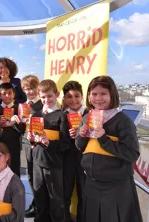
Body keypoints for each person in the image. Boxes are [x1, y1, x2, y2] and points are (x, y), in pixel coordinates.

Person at [76, 76, 142, 222]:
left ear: (112, 95)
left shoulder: (123, 121)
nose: (98, 98)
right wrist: (81, 136)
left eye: (103, 94)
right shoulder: (87, 117)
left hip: (116, 186)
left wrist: (104, 139)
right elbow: (80, 147)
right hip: (92, 183)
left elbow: (132, 154)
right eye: (94, 94)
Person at [30, 79, 69, 222]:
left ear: (57, 95)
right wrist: (31, 138)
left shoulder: (61, 116)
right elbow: (34, 141)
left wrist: (49, 142)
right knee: (39, 196)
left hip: (53, 163)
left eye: (50, 96)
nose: (47, 100)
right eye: (43, 97)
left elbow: (66, 144)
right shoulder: (36, 115)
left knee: (55, 200)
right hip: (37, 161)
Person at [61, 81, 88, 222]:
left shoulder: (90, 115)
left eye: (76, 96)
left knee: (84, 193)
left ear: (82, 97)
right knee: (65, 192)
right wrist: (67, 135)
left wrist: (83, 134)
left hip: (85, 159)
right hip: (67, 159)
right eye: (69, 97)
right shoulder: (61, 116)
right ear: (64, 99)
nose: (73, 100)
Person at [21, 75, 43, 218]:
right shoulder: (23, 105)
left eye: (33, 88)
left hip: (40, 146)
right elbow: (21, 128)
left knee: (38, 178)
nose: (30, 92)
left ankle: (40, 207)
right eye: (27, 89)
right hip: (27, 143)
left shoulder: (42, 104)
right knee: (30, 176)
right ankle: (35, 205)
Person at [0, 83, 25, 176]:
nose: (7, 96)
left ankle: (15, 190)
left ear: (13, 95)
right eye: (4, 93)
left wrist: (15, 122)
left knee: (14, 170)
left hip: (14, 145)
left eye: (9, 93)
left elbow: (22, 130)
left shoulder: (19, 109)